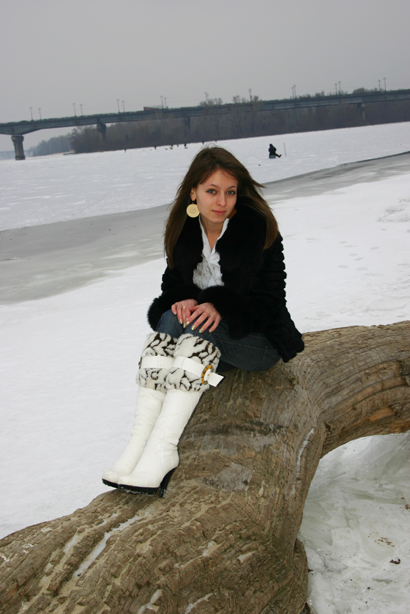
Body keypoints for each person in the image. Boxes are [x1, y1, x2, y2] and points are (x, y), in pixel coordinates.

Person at [102, 146, 304, 497]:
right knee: (172, 316)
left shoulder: (257, 228)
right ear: (193, 192)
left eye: (230, 192)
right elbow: (171, 287)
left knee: (197, 324)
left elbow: (270, 303)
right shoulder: (183, 229)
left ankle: (164, 448)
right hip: (210, 344)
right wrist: (183, 298)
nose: (222, 201)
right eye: (212, 191)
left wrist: (221, 307)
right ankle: (138, 445)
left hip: (258, 341)